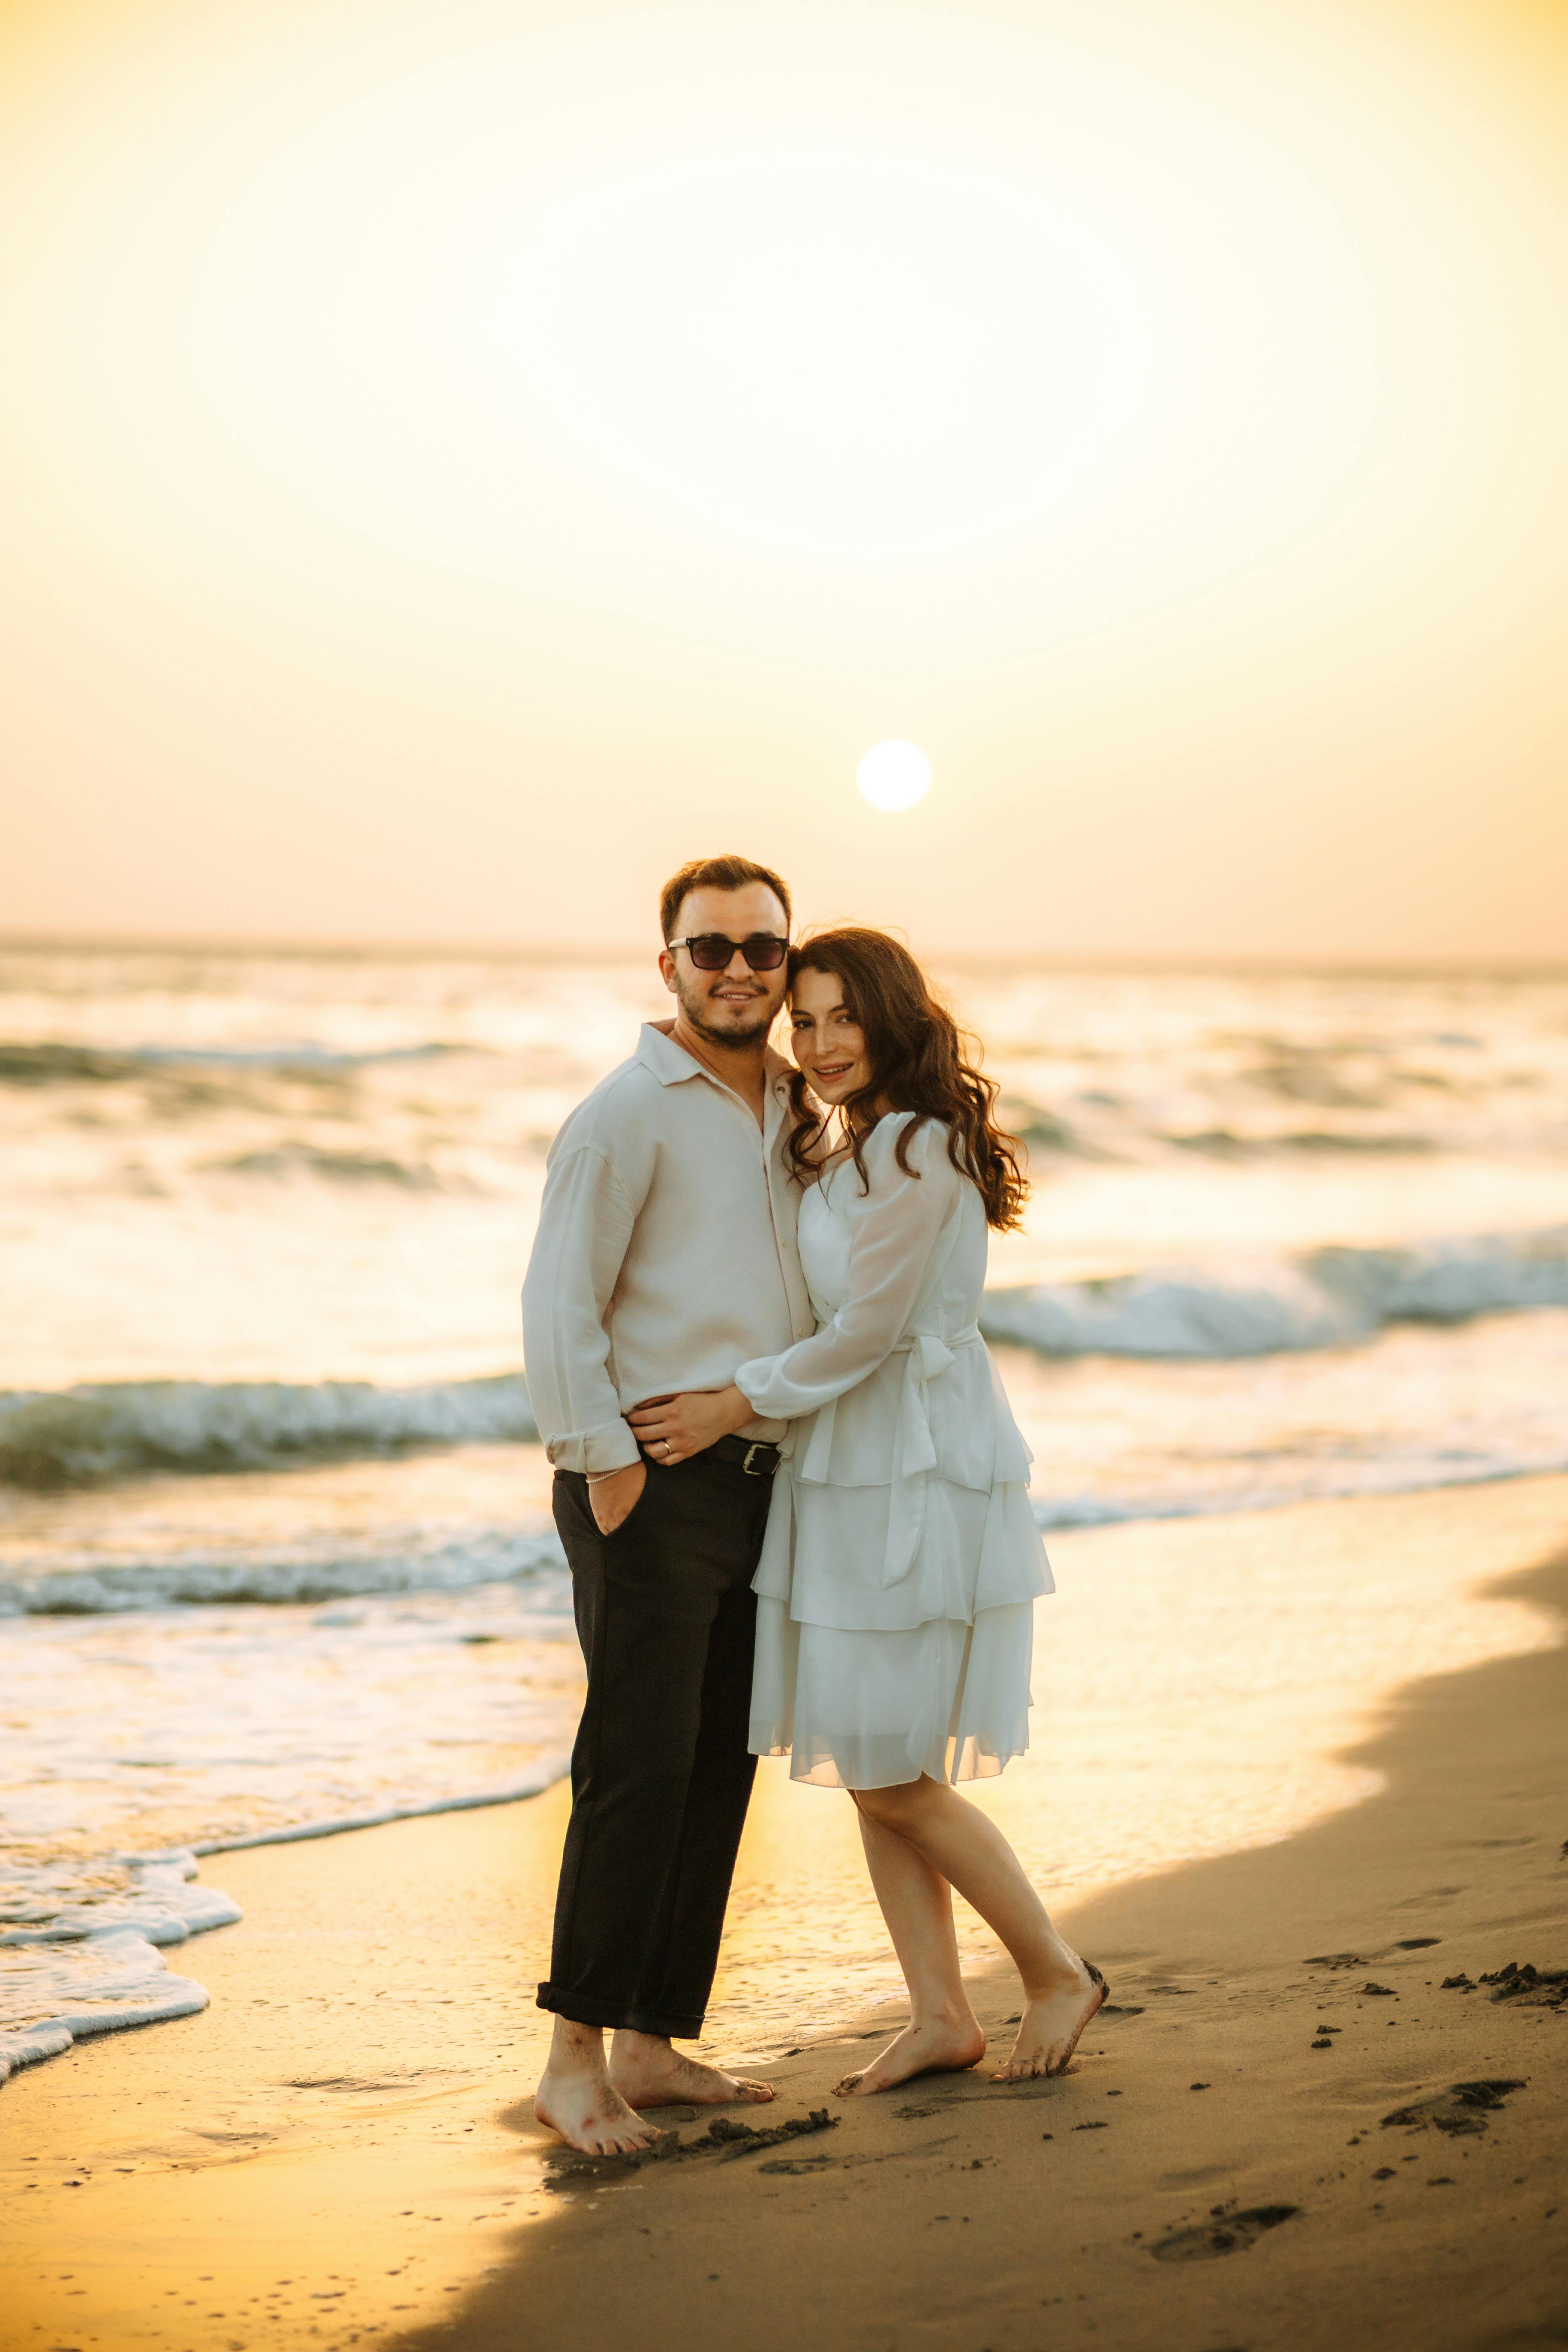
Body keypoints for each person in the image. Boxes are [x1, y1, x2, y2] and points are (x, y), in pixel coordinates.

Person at [629, 928, 1106, 2095]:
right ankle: (941, 2014)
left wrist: (729, 1404)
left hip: (908, 1462)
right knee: (866, 1753)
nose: (822, 1042)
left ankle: (1054, 1971)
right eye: (805, 1021)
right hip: (847, 1457)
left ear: (893, 1018)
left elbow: (868, 1333)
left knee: (893, 1769)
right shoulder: (861, 1145)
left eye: (844, 1017)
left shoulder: (920, 1149)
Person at [521, 853, 819, 2155]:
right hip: (646, 1480)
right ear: (670, 968)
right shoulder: (624, 1114)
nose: (742, 969)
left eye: (764, 949)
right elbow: (555, 1306)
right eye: (714, 949)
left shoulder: (801, 1111)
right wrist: (607, 1462)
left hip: (762, 1481)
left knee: (715, 1767)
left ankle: (654, 2042)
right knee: (635, 1770)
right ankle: (572, 2061)